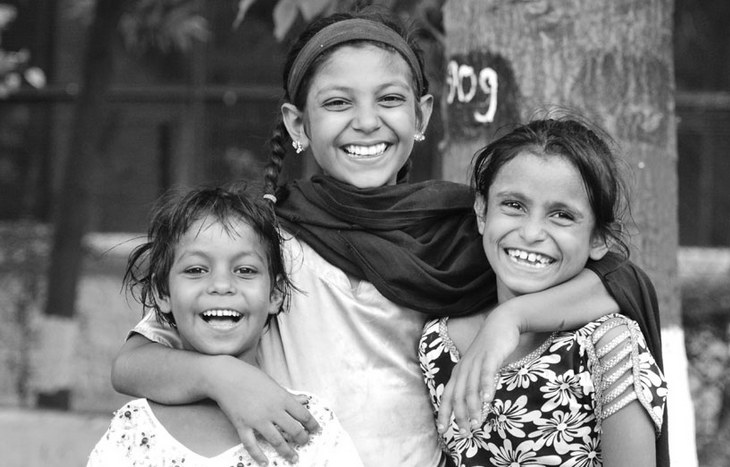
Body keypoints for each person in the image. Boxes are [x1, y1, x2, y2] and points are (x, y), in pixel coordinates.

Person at [111, 9, 664, 467]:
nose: (367, 121)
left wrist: (510, 319)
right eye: (338, 102)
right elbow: (132, 364)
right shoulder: (263, 242)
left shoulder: (468, 230)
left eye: (389, 100)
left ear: (421, 115)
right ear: (298, 125)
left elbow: (617, 280)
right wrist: (221, 376)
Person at [419, 116, 668, 466]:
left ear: (600, 238)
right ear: (482, 211)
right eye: (514, 205)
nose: (532, 232)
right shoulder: (436, 342)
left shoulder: (608, 346)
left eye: (562, 215)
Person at [88, 186, 364, 467]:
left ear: (275, 294)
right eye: (196, 270)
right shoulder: (132, 430)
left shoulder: (310, 425)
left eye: (245, 270)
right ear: (162, 292)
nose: (221, 285)